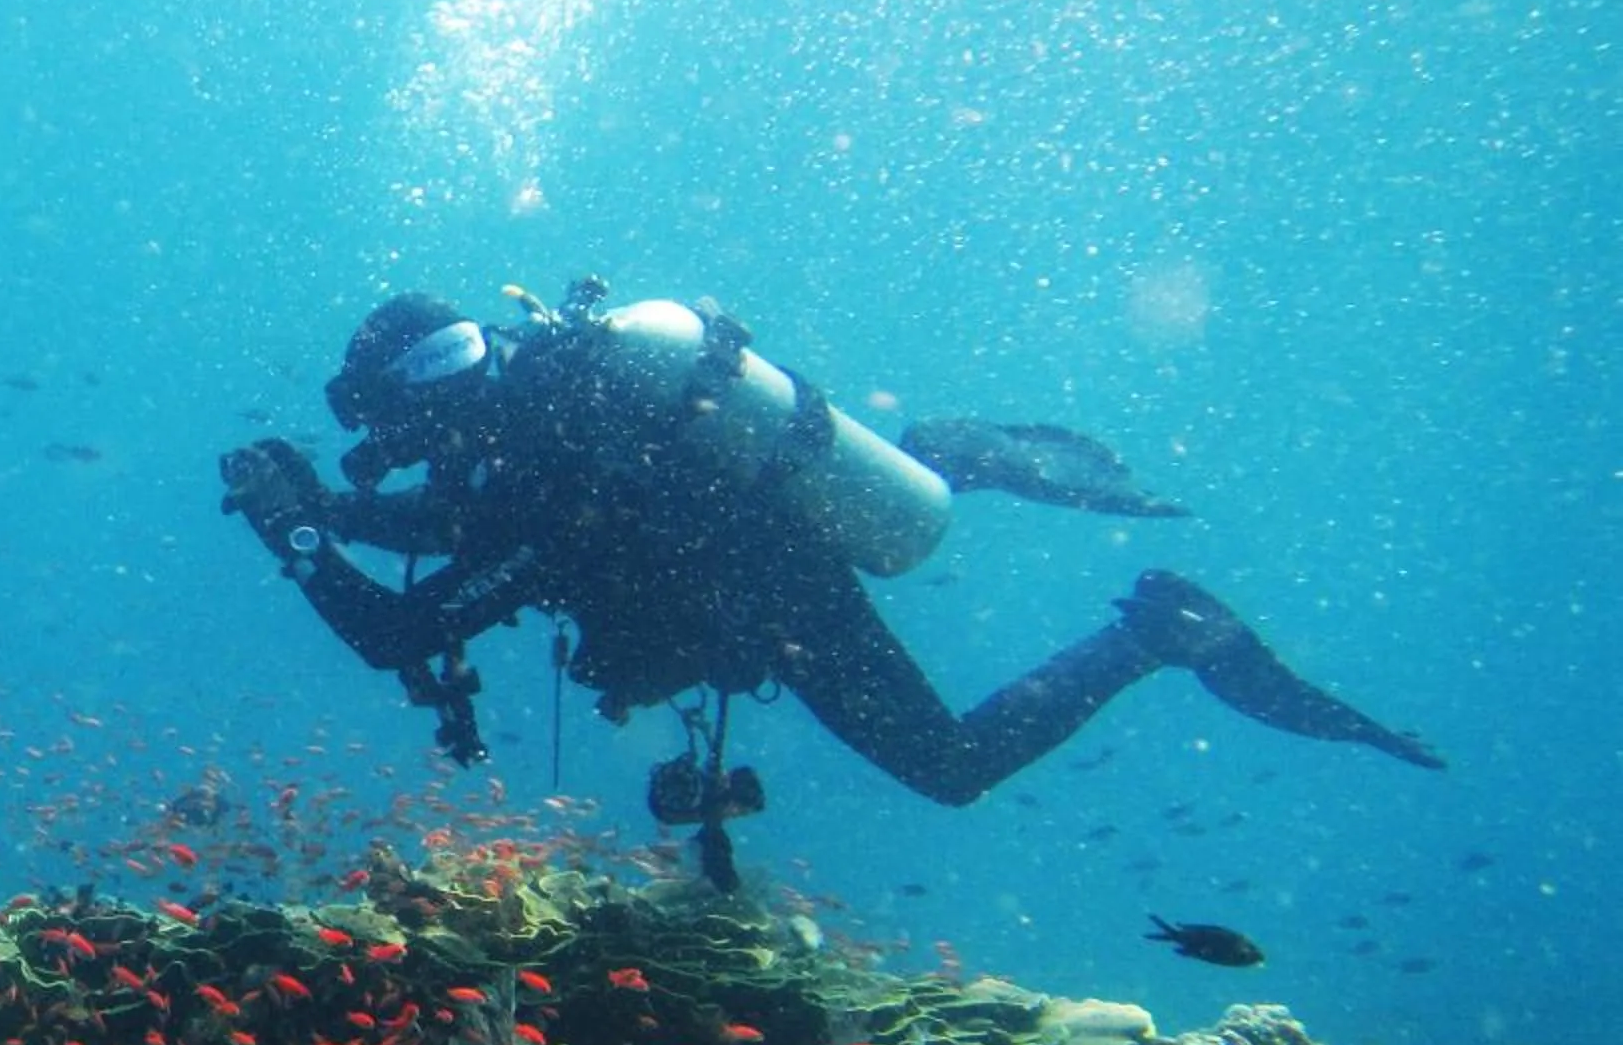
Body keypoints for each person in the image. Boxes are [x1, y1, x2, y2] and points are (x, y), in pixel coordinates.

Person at [220, 280, 1440, 856]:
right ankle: (946, 457)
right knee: (934, 716)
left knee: (948, 768)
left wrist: (300, 536)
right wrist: (328, 510)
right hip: (750, 535)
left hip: (780, 586)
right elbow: (464, 536)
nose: (420, 442)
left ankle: (1154, 635)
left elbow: (400, 631)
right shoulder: (550, 434)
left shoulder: (567, 471)